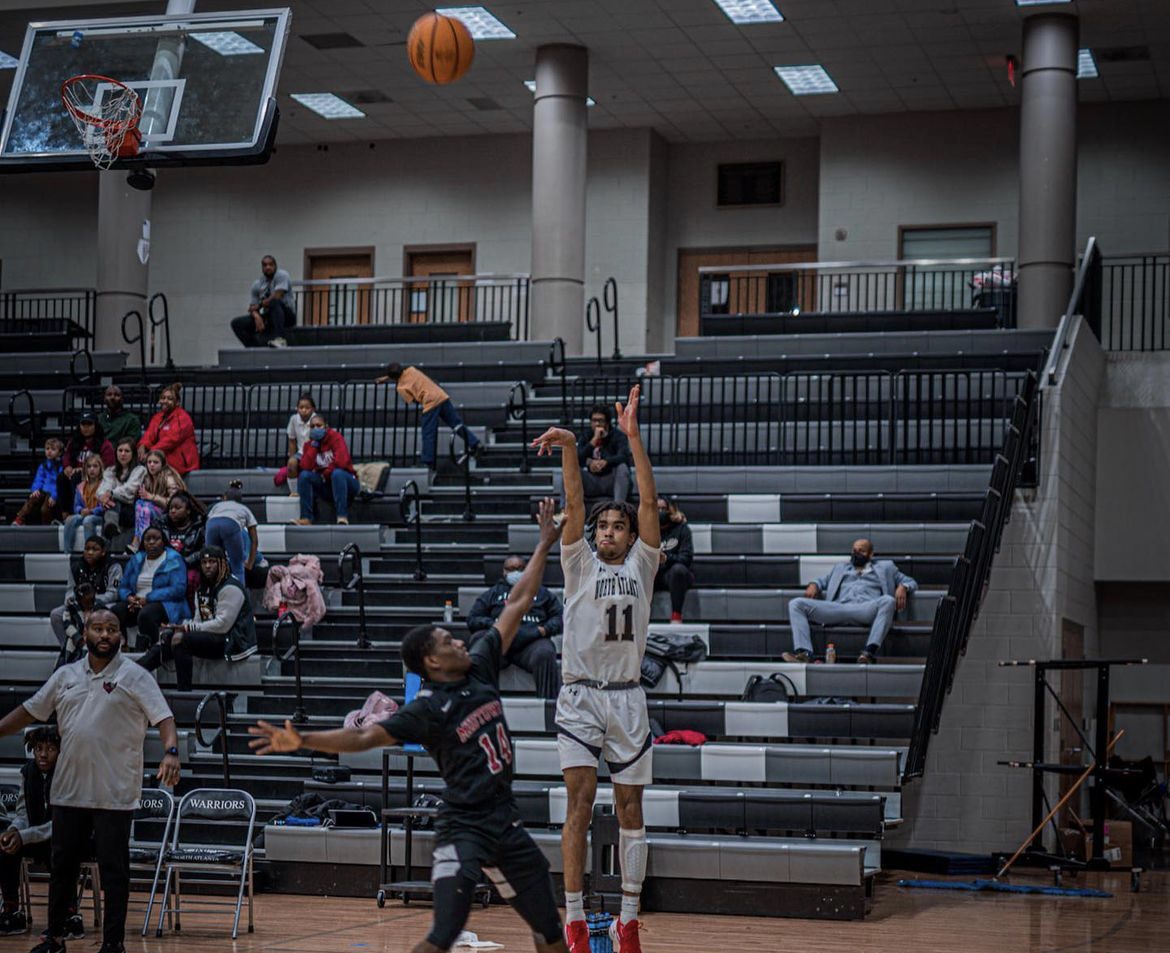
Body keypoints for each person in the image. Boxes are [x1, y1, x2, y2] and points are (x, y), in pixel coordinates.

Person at [249, 499, 566, 953]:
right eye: (447, 639)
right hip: (463, 828)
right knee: (443, 936)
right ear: (433, 661)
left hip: (505, 820)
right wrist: (303, 739)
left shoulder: (479, 665)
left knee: (549, 931)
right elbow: (362, 736)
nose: (459, 639)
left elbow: (518, 602)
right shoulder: (426, 708)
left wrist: (544, 545)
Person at [531, 385, 660, 953]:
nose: (607, 530)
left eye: (617, 526)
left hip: (629, 698)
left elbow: (651, 504)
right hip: (581, 697)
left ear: (631, 537)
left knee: (631, 808)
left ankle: (630, 921)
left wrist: (632, 440)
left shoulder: (645, 564)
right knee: (579, 807)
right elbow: (576, 503)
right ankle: (577, 921)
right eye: (603, 526)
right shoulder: (578, 561)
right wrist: (567, 449)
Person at [0, 609, 180, 953]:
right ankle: (53, 938)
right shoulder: (65, 675)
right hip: (68, 791)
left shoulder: (136, 676)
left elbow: (165, 718)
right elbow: (29, 709)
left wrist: (171, 751)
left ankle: (113, 944)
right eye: (97, 628)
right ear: (85, 635)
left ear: (121, 637)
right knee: (62, 867)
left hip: (115, 794)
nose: (105, 634)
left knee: (114, 871)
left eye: (111, 629)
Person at [0, 727, 84, 940]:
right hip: (38, 834)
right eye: (39, 749)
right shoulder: (28, 773)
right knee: (5, 848)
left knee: (62, 850)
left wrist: (25, 836)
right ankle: (11, 911)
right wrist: (13, 831)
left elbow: (62, 824)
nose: (43, 754)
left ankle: (69, 915)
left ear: (61, 751)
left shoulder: (69, 774)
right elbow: (22, 813)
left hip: (71, 836)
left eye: (50, 749)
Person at [782, 538, 919, 664]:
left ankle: (868, 653)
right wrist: (814, 584)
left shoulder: (886, 567)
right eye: (854, 550)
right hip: (838, 608)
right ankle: (804, 653)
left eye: (861, 551)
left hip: (866, 609)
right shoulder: (840, 568)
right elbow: (822, 581)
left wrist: (903, 587)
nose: (856, 553)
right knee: (796, 604)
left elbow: (910, 581)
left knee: (888, 601)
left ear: (871, 554)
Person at [160, 546, 257, 693]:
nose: (207, 566)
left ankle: (184, 693)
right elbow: (198, 620)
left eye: (212, 562)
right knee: (167, 638)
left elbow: (222, 625)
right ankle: (134, 677)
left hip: (233, 640)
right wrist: (178, 627)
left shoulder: (231, 587)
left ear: (222, 563)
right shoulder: (202, 588)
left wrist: (187, 629)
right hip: (213, 636)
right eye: (204, 562)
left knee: (183, 640)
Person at [467, 554, 564, 700]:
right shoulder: (493, 593)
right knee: (478, 641)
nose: (516, 572)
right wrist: (495, 625)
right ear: (504, 572)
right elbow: (473, 619)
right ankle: (479, 702)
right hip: (500, 642)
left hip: (531, 642)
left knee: (545, 651)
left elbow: (560, 617)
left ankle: (549, 706)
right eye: (511, 569)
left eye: (520, 568)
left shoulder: (542, 592)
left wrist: (545, 630)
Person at [376, 363, 482, 474]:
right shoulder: (411, 369)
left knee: (428, 433)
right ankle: (475, 444)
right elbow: (402, 373)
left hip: (430, 403)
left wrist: (392, 379)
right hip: (441, 395)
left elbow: (413, 399)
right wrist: (387, 378)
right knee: (456, 423)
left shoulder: (401, 387)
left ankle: (427, 462)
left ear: (394, 378)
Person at [113, 526, 189, 666]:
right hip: (138, 602)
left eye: (156, 539)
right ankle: (121, 648)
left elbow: (178, 589)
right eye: (148, 539)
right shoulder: (137, 558)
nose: (152, 542)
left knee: (146, 614)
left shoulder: (173, 559)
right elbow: (123, 587)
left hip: (167, 604)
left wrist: (148, 598)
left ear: (163, 541)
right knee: (116, 611)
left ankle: (155, 652)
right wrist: (130, 597)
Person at [50, 537, 122, 666]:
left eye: (95, 549)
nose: (89, 552)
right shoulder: (76, 566)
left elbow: (114, 593)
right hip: (81, 602)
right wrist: (71, 599)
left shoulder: (113, 566)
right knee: (56, 614)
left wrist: (92, 600)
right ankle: (68, 648)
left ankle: (100, 649)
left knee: (107, 612)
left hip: (103, 602)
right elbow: (70, 590)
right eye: (87, 549)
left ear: (103, 552)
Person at [296, 413, 360, 526]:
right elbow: (305, 466)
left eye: (318, 425)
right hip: (327, 485)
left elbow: (342, 461)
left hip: (347, 483)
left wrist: (326, 473)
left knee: (337, 473)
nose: (315, 428)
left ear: (326, 426)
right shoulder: (309, 445)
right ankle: (306, 518)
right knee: (304, 476)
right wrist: (314, 446)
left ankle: (342, 516)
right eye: (312, 426)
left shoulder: (336, 438)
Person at [230, 255, 296, 348]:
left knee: (274, 302)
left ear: (275, 266)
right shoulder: (257, 284)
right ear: (262, 268)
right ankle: (254, 348)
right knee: (236, 323)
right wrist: (257, 316)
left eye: (270, 264)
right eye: (265, 265)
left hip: (287, 317)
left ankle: (280, 340)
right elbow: (252, 307)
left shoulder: (282, 275)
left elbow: (277, 295)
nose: (268, 267)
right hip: (269, 317)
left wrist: (259, 305)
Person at [130, 450, 185, 554]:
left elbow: (175, 502)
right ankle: (137, 539)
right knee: (139, 504)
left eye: (155, 462)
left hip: (170, 512)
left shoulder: (169, 477)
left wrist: (152, 497)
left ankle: (142, 543)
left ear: (162, 464)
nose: (152, 465)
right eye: (149, 462)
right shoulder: (147, 477)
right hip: (155, 510)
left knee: (146, 509)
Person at [138, 384, 199, 476]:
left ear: (177, 402)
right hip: (161, 460)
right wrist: (142, 446)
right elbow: (149, 435)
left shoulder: (182, 417)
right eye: (163, 398)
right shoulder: (157, 417)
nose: (165, 401)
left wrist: (151, 452)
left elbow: (172, 439)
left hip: (180, 464)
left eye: (170, 399)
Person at [204, 483, 259, 584]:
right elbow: (254, 540)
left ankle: (211, 594)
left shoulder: (217, 506)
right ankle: (240, 596)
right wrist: (250, 563)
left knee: (212, 563)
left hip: (211, 524)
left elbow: (208, 522)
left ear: (224, 498)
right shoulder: (244, 509)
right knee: (237, 566)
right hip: (231, 524)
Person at [576, 404, 631, 505]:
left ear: (607, 422)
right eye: (594, 420)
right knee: (571, 469)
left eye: (600, 420)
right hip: (592, 480)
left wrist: (606, 462)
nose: (597, 424)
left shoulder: (618, 436)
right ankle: (566, 510)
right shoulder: (586, 435)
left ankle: (618, 508)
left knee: (622, 468)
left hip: (611, 480)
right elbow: (578, 459)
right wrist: (593, 441)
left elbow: (623, 457)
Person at [654, 497, 694, 624]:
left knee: (678, 570)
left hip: (673, 575)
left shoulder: (682, 529)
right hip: (654, 575)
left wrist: (666, 558)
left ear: (670, 510)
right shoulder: (646, 530)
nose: (660, 512)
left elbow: (686, 558)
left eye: (663, 509)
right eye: (657, 509)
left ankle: (676, 615)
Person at [160, 491, 207, 597]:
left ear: (188, 510)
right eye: (171, 508)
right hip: (166, 566)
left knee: (188, 580)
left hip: (189, 566)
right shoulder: (162, 525)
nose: (172, 511)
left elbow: (202, 551)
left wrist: (183, 562)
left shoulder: (199, 527)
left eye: (177, 508)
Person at [97, 439, 145, 541]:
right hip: (112, 506)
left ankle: (109, 530)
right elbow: (103, 488)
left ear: (133, 454)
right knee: (110, 504)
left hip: (131, 508)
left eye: (127, 451)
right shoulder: (111, 470)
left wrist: (111, 493)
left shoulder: (140, 469)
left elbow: (130, 490)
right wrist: (104, 497)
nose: (123, 454)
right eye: (120, 450)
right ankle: (110, 529)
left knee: (113, 502)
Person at [12, 438, 64, 527]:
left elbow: (59, 483)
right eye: (47, 449)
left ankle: (46, 526)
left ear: (59, 453)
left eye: (53, 449)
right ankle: (19, 519)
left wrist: (54, 496)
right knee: (32, 499)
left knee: (45, 509)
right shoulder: (43, 465)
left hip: (53, 492)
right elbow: (38, 479)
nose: (49, 451)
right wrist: (35, 489)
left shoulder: (60, 466)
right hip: (43, 489)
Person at [61, 456, 106, 553]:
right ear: (85, 469)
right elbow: (76, 505)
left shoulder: (105, 485)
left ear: (100, 468)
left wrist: (92, 511)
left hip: (99, 516)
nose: (92, 469)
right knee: (70, 519)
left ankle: (91, 551)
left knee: (88, 520)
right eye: (89, 467)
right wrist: (80, 510)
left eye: (95, 466)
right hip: (84, 513)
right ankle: (67, 552)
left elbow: (105, 506)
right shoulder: (80, 486)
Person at [62, 414, 114, 485]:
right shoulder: (73, 442)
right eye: (83, 424)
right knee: (62, 477)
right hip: (74, 473)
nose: (86, 427)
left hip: (97, 476)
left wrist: (84, 470)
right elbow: (67, 456)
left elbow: (108, 465)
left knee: (77, 476)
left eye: (89, 424)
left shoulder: (105, 444)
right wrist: (67, 466)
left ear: (96, 426)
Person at [283, 393, 316, 496]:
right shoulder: (294, 419)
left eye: (307, 408)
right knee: (292, 464)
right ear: (297, 409)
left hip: (314, 451)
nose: (304, 410)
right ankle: (294, 491)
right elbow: (292, 440)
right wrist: (292, 457)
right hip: (301, 452)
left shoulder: (316, 420)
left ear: (313, 409)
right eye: (301, 407)